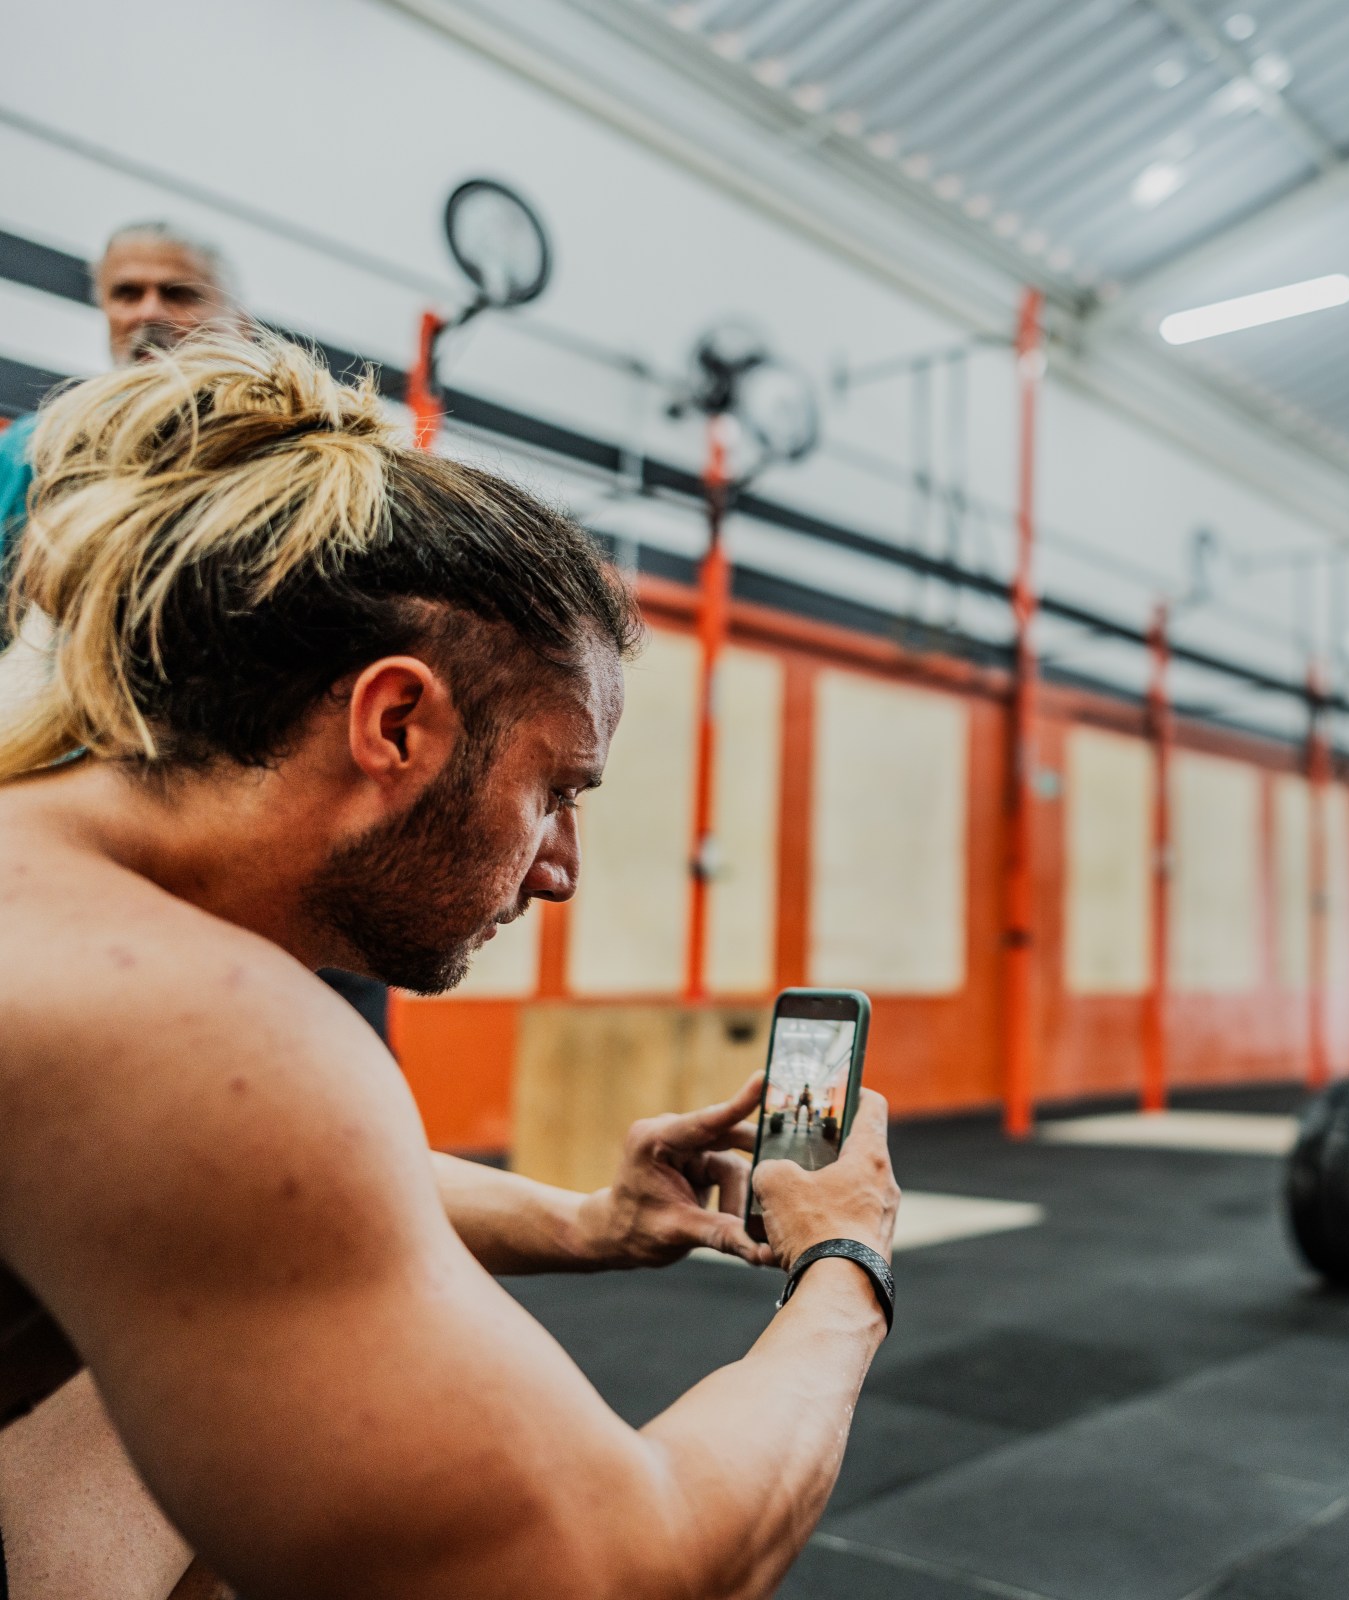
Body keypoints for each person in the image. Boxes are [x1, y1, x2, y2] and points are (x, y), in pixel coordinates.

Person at [0, 334, 903, 1598]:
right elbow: (612, 1573)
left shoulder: (57, 880)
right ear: (395, 723)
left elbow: (255, 1184)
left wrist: (586, 1222)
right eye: (556, 792)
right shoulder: (184, 1019)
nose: (560, 869)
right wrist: (846, 1265)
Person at [0, 221, 245, 556]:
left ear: (241, 326)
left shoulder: (289, 447)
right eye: (127, 294)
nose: (148, 312)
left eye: (179, 294)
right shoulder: (33, 448)